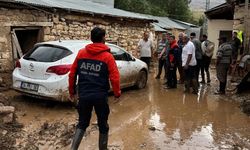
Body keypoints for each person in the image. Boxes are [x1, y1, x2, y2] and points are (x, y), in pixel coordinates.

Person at [68, 27, 121, 150]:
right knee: (103, 124)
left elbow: (72, 74)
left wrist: (72, 92)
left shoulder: (81, 53)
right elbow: (115, 78)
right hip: (100, 97)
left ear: (91, 38)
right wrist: (117, 94)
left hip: (84, 96)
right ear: (103, 38)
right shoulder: (108, 57)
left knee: (82, 123)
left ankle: (73, 149)